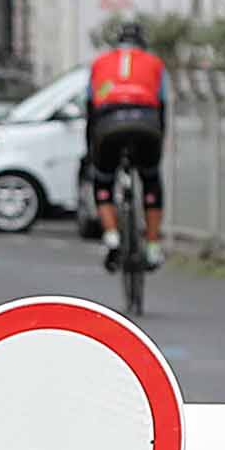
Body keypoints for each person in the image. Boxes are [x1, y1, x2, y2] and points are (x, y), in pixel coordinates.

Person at [86, 19, 168, 273]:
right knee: (151, 179)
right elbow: (163, 104)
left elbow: (90, 106)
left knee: (103, 179)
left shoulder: (100, 63)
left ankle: (111, 237)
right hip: (146, 122)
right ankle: (153, 247)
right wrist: (161, 139)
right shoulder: (155, 64)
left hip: (108, 123)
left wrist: (91, 146)